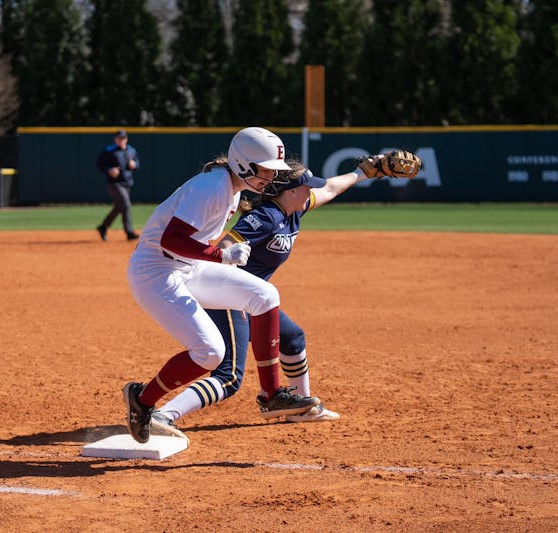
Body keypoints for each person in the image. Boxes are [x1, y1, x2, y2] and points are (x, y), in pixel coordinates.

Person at [152, 158, 380, 433]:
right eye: (306, 187)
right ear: (290, 191)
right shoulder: (263, 218)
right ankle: (163, 415)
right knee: (228, 376)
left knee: (293, 337)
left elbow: (330, 188)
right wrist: (233, 276)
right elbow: (225, 245)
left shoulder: (295, 208)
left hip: (258, 301)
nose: (311, 192)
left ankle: (300, 408)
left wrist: (362, 173)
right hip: (228, 296)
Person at [122, 127, 318, 444]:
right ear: (244, 164)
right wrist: (222, 255)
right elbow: (170, 240)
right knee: (211, 352)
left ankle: (271, 396)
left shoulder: (232, 188)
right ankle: (142, 400)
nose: (270, 177)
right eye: (265, 169)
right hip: (155, 271)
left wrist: (216, 257)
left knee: (264, 294)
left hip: (186, 267)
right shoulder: (212, 187)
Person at [96, 129, 140, 241]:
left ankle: (103, 227)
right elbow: (99, 164)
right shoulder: (109, 151)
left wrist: (134, 165)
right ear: (115, 139)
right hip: (114, 184)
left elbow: (137, 164)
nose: (121, 140)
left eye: (123, 138)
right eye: (119, 138)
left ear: (126, 139)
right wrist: (109, 169)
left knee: (119, 207)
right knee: (126, 204)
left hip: (127, 183)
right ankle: (129, 232)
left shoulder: (132, 150)